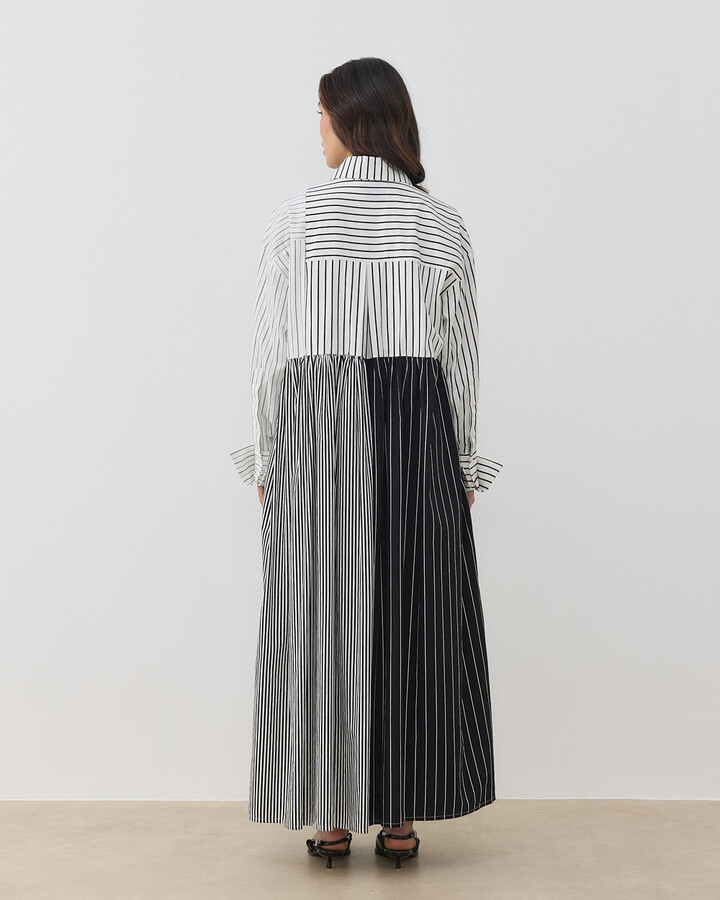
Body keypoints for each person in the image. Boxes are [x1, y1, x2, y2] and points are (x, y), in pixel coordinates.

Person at [230, 56, 503, 869]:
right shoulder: (441, 223)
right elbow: (461, 359)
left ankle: (328, 815)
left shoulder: (297, 217)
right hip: (417, 422)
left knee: (318, 609)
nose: (316, 129)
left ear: (351, 119)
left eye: (321, 114)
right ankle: (401, 816)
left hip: (317, 425)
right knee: (414, 609)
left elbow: (269, 352)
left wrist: (266, 452)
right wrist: (461, 461)